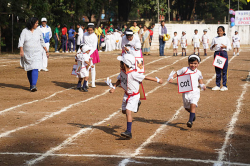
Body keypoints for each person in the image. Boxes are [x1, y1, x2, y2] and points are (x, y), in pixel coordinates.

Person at [109, 53, 163, 139]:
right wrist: (114, 87)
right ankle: (137, 104)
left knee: (128, 111)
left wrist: (157, 80)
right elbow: (119, 80)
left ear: (124, 64)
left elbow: (145, 77)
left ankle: (128, 132)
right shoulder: (123, 72)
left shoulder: (133, 74)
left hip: (134, 96)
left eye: (120, 62)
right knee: (124, 112)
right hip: (126, 95)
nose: (119, 64)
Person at [168, 55, 206, 128]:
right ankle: (192, 114)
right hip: (186, 92)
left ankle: (190, 121)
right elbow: (177, 73)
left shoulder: (198, 72)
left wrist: (202, 85)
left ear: (198, 64)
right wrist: (172, 77)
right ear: (188, 63)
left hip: (195, 91)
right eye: (191, 63)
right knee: (186, 107)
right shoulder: (184, 69)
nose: (193, 65)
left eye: (195, 63)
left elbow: (200, 79)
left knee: (193, 104)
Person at [18, 17, 49, 92]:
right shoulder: (24, 31)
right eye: (36, 23)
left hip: (37, 53)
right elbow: (21, 41)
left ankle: (33, 85)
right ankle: (31, 84)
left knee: (35, 67)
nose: (37, 25)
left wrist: (46, 50)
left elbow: (42, 41)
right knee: (29, 69)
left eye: (38, 23)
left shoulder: (38, 31)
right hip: (27, 53)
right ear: (31, 23)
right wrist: (21, 50)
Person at [210, 26, 231, 91]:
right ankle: (217, 85)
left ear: (223, 32)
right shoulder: (214, 38)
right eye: (218, 31)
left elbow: (230, 48)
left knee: (224, 70)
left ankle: (225, 85)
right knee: (218, 70)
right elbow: (211, 48)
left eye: (221, 31)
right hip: (217, 54)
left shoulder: (226, 38)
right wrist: (213, 46)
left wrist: (225, 46)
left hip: (223, 53)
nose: (219, 32)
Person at [82, 23, 100, 88]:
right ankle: (86, 82)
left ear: (93, 30)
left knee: (92, 67)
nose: (90, 32)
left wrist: (89, 54)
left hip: (92, 52)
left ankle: (93, 83)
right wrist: (83, 51)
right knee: (86, 67)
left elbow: (94, 47)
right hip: (85, 51)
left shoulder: (95, 36)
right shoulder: (84, 35)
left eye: (91, 30)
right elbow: (82, 43)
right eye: (88, 30)